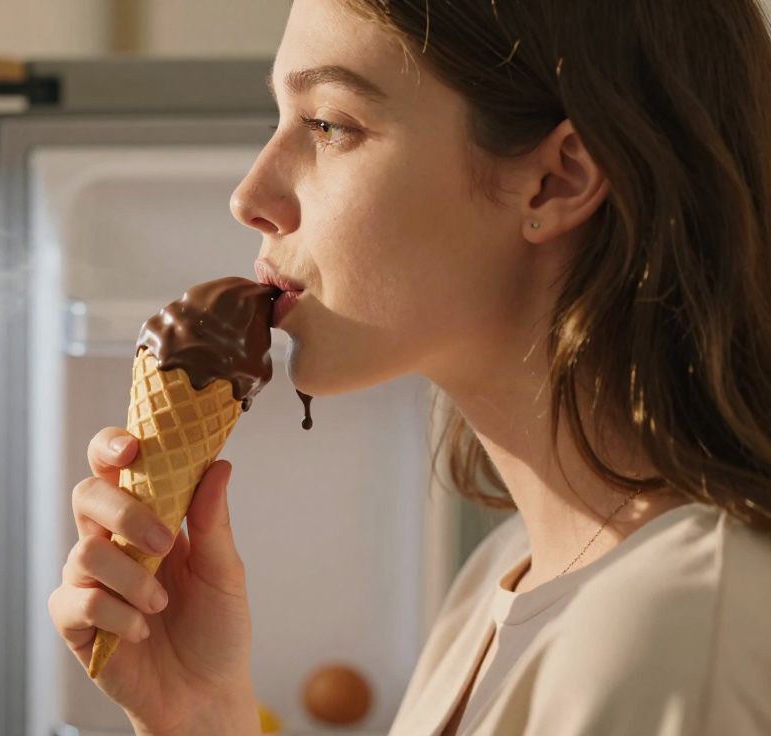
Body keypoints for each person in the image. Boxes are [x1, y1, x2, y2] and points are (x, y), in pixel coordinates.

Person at [47, 0, 771, 733]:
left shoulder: (677, 638)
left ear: (557, 182)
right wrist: (201, 715)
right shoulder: (503, 576)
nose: (250, 198)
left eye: (329, 124)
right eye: (280, 119)